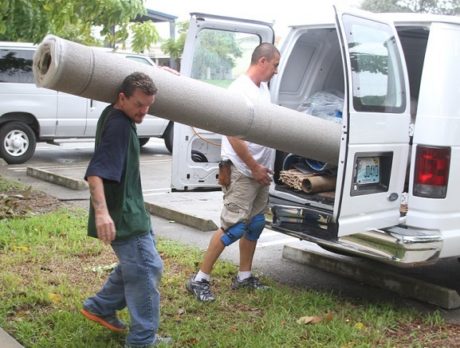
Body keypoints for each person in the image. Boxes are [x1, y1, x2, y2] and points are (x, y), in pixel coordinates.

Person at [80, 72, 170, 347]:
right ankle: (142, 341)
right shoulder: (119, 126)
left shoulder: (116, 114)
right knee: (146, 268)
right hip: (123, 217)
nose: (144, 112)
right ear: (122, 97)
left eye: (149, 106)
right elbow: (95, 172)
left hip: (132, 210)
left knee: (137, 266)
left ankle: (99, 306)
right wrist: (102, 213)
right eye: (139, 104)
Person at [186, 42, 281, 302]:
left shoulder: (263, 89)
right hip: (242, 169)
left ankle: (244, 277)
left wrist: (263, 167)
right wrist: (253, 167)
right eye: (274, 65)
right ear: (262, 61)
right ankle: (199, 280)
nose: (275, 71)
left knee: (256, 224)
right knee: (233, 227)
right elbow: (232, 133)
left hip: (261, 170)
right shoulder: (239, 90)